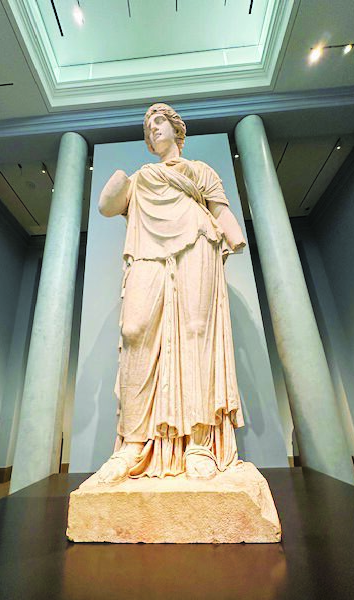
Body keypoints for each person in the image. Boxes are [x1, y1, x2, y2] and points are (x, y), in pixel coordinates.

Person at [96, 103, 246, 484]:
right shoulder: (142, 177)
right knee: (134, 331)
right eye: (148, 126)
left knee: (196, 332)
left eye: (159, 121)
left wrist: (236, 238)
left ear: (176, 129)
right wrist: (119, 181)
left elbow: (220, 210)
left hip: (197, 240)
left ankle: (198, 443)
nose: (153, 129)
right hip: (148, 248)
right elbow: (108, 207)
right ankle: (132, 443)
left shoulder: (200, 171)